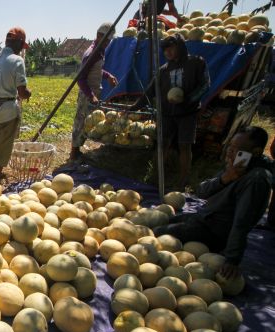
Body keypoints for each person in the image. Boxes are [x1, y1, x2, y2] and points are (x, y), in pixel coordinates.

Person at [154, 126, 273, 279]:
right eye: (230, 145)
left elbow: (242, 221)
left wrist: (232, 259)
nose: (230, 151)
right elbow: (202, 191)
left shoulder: (257, 179)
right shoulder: (238, 164)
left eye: (236, 148)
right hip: (204, 218)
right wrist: (226, 178)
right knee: (163, 220)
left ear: (255, 152)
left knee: (157, 233)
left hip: (214, 232)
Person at [130, 34, 210, 190]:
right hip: (167, 112)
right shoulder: (164, 70)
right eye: (165, 50)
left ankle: (183, 180)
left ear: (180, 46)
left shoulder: (196, 63)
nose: (168, 52)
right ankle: (156, 175)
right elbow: (151, 90)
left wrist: (188, 99)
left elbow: (205, 85)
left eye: (171, 48)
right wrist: (135, 106)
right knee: (162, 143)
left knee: (184, 145)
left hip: (187, 112)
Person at [0, 27, 32, 183]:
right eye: (22, 46)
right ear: (18, 43)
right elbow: (22, 92)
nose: (22, 50)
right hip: (6, 111)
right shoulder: (16, 60)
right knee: (3, 148)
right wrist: (28, 93)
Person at [67, 23, 118, 166]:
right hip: (87, 94)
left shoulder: (100, 51)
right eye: (106, 39)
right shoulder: (92, 53)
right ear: (99, 36)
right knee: (80, 123)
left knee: (87, 123)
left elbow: (96, 70)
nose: (108, 43)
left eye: (110, 40)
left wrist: (108, 76)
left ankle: (78, 151)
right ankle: (74, 153)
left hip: (94, 92)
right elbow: (81, 79)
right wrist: (91, 96)